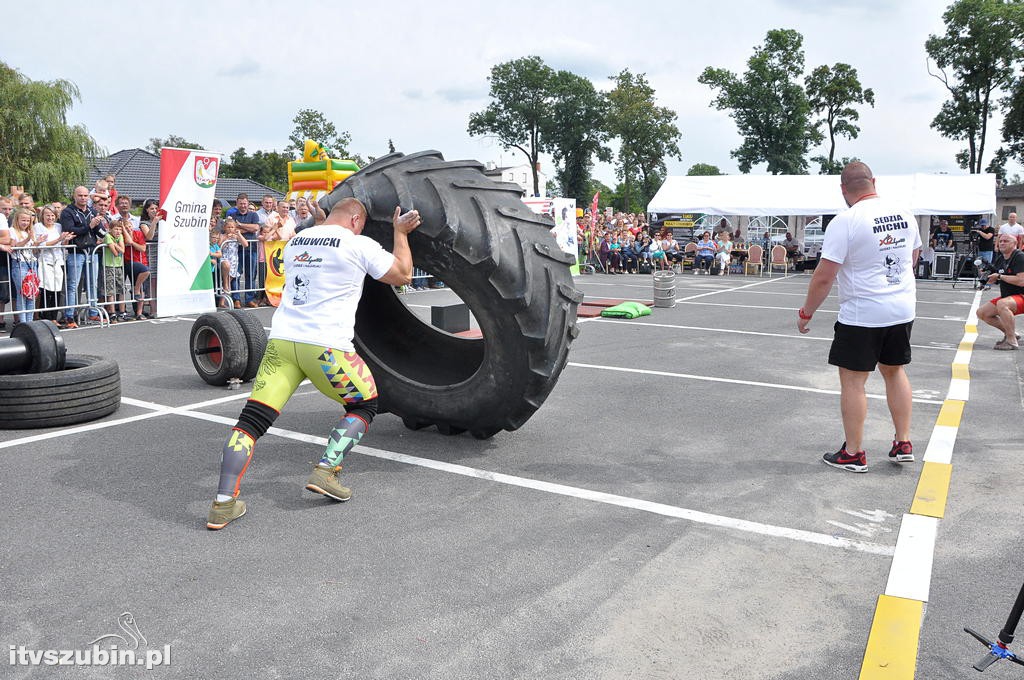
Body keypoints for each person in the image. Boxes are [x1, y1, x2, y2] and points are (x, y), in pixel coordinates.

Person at [206, 198, 422, 530]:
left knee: (250, 422)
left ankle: (222, 504)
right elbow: (403, 275)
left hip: (281, 343)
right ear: (354, 220)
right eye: (360, 224)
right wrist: (400, 233)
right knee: (364, 404)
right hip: (326, 348)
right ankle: (326, 471)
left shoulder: (295, 242)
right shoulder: (357, 243)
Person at [797, 161, 921, 473]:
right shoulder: (905, 213)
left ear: (843, 190)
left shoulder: (845, 221)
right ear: (873, 181)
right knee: (894, 372)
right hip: (902, 307)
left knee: (853, 380)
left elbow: (824, 277)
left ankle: (853, 452)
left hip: (863, 313)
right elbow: (913, 257)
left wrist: (806, 312)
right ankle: (903, 442)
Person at [59, 186, 108, 327]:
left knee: (93, 283)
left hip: (92, 251)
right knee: (73, 284)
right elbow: (70, 230)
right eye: (80, 195)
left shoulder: (92, 211)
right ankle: (69, 316)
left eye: (86, 195)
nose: (83, 198)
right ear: (74, 196)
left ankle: (93, 313)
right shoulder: (67, 212)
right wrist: (89, 226)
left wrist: (103, 230)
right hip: (77, 252)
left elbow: (99, 231)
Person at [976, 233, 1024, 350]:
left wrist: (999, 276)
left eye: (1006, 241)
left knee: (1002, 304)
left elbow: (1021, 281)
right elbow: (998, 278)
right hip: (1010, 296)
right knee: (982, 313)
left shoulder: (1019, 256)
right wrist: (987, 277)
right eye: (1001, 241)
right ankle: (1012, 334)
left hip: (1021, 295)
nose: (1002, 243)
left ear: (1014, 244)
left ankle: (1011, 341)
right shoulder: (1001, 258)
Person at [226, 193, 262, 307]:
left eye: (245, 203)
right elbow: (232, 229)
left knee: (250, 275)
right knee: (236, 274)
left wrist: (240, 225)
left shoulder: (254, 214)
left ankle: (249, 299)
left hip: (252, 249)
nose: (243, 206)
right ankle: (236, 299)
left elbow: (256, 228)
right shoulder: (232, 215)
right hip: (237, 250)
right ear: (237, 203)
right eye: (241, 203)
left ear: (248, 203)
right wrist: (248, 228)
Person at [218, 217, 248, 308]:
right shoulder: (222, 236)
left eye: (232, 227)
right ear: (224, 228)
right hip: (224, 258)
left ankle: (222, 301)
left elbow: (246, 244)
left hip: (234, 260)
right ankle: (226, 285)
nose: (230, 229)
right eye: (228, 227)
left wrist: (239, 234)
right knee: (226, 267)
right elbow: (218, 246)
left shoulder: (236, 236)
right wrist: (226, 239)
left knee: (229, 279)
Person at [102, 221, 127, 322]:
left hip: (119, 266)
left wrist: (116, 245)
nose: (118, 231)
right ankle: (112, 313)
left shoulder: (120, 236)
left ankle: (122, 312)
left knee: (121, 289)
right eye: (116, 229)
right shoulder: (108, 236)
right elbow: (116, 253)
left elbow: (123, 250)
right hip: (109, 265)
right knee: (110, 290)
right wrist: (116, 246)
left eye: (120, 229)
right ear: (110, 229)